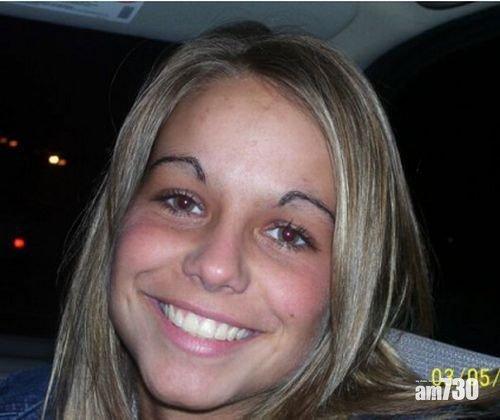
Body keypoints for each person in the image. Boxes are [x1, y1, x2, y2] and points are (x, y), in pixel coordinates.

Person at [2, 22, 499, 419]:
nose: (216, 266)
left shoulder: (449, 390)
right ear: (120, 215)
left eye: (288, 234)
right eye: (182, 201)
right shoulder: (21, 405)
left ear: (350, 282)